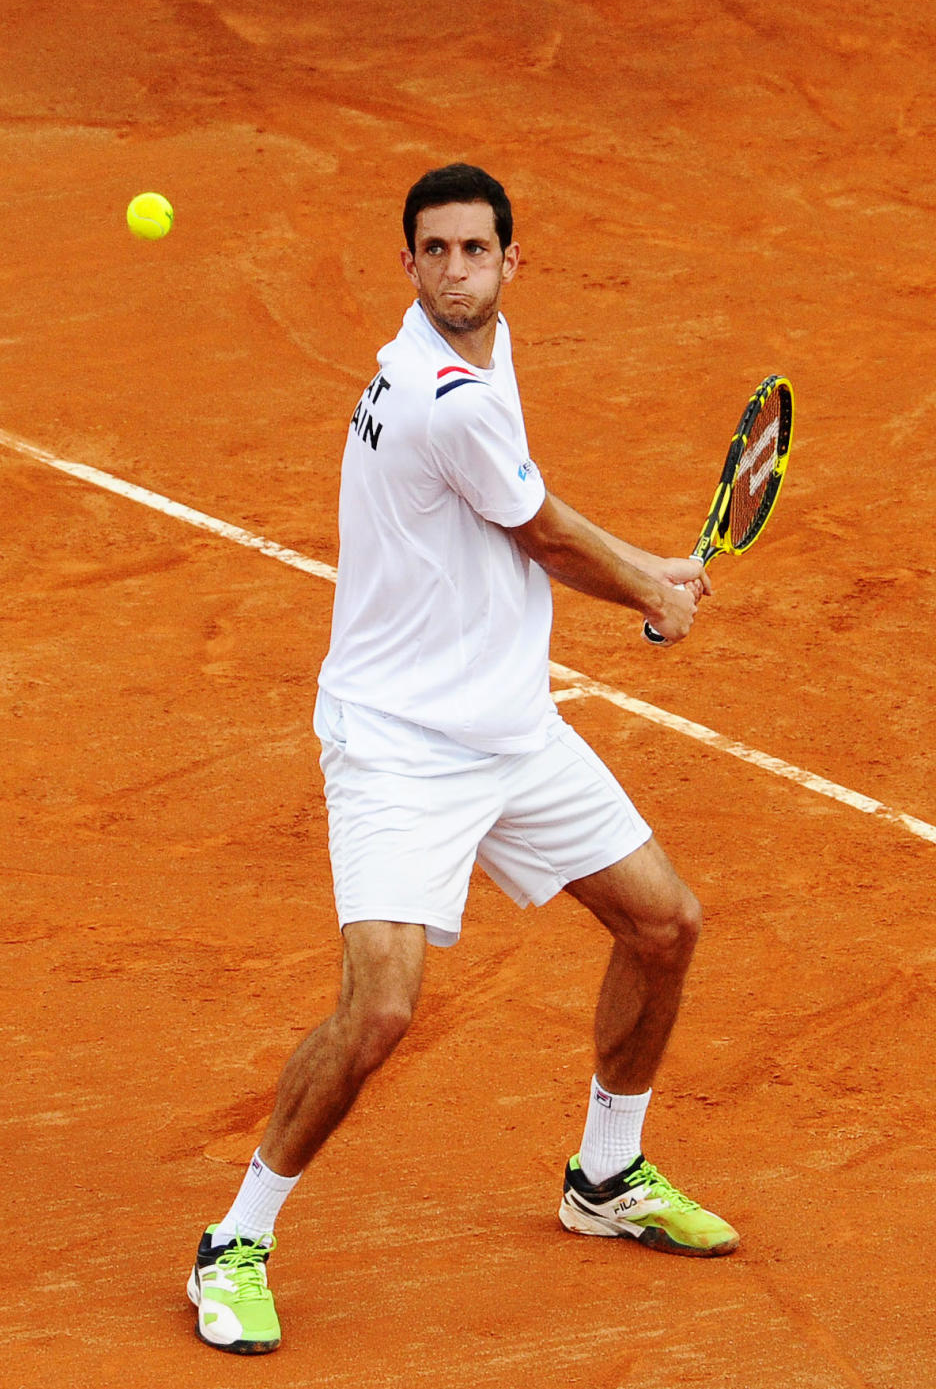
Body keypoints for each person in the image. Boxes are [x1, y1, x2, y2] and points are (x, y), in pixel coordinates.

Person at [186, 162, 738, 1356]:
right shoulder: (444, 393)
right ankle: (234, 1240)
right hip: (398, 747)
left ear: (508, 261)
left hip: (509, 728)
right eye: (432, 252)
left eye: (473, 250)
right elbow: (540, 531)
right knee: (379, 1010)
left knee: (664, 925)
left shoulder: (482, 354)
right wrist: (653, 589)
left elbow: (524, 522)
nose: (453, 271)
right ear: (408, 266)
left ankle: (606, 1176)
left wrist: (643, 567)